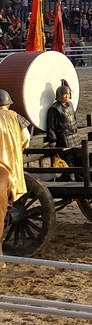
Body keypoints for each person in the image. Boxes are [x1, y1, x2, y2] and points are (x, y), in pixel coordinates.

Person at [0, 88, 30, 227]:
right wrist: (20, 147)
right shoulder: (16, 116)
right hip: (11, 162)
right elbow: (26, 138)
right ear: (8, 104)